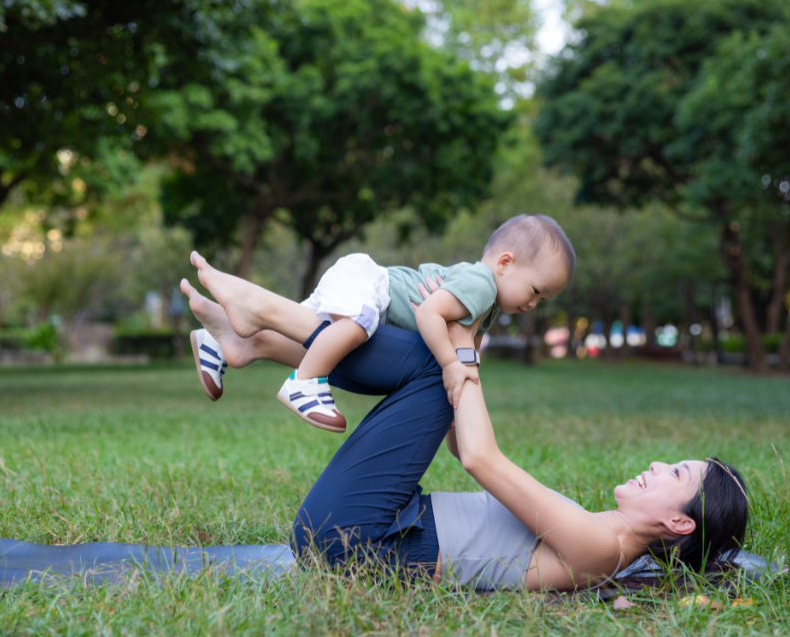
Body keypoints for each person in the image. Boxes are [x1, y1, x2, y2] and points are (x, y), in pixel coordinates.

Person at [179, 258, 749, 591]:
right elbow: (462, 443)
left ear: (679, 521)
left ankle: (263, 321)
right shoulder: (602, 538)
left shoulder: (602, 546)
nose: (656, 465)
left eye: (676, 470)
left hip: (352, 540)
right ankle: (249, 340)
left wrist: (458, 342)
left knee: (433, 360)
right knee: (431, 359)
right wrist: (454, 344)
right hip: (366, 530)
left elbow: (481, 459)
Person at [190, 214, 575, 433]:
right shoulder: (482, 284)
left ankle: (230, 341)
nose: (533, 304)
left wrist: (458, 414)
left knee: (327, 338)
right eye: (536, 290)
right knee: (358, 324)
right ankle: (304, 383)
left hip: (368, 294)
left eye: (543, 300)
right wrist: (451, 364)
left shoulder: (485, 307)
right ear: (506, 263)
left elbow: (464, 351)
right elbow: (428, 314)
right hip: (371, 285)